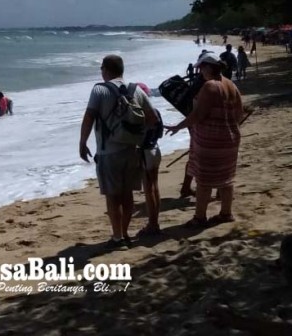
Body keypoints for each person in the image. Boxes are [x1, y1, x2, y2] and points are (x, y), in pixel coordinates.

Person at [79, 55, 157, 250]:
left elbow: (89, 116)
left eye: (102, 68)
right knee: (128, 194)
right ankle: (125, 233)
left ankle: (117, 238)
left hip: (108, 152)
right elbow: (152, 117)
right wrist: (138, 136)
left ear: (106, 69)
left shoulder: (99, 89)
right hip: (132, 150)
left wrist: (82, 142)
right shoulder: (136, 89)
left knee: (113, 196)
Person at [165, 52, 244, 227]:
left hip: (211, 140)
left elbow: (198, 115)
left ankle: (200, 217)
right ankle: (226, 213)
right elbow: (239, 113)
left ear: (208, 67)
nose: (200, 71)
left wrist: (177, 127)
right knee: (227, 178)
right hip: (231, 138)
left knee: (204, 180)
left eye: (201, 67)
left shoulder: (210, 86)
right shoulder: (231, 85)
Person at [137, 83, 163, 236]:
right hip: (156, 149)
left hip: (145, 152)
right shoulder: (156, 112)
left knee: (148, 190)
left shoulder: (140, 114)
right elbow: (159, 133)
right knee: (155, 187)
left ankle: (153, 224)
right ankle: (155, 221)